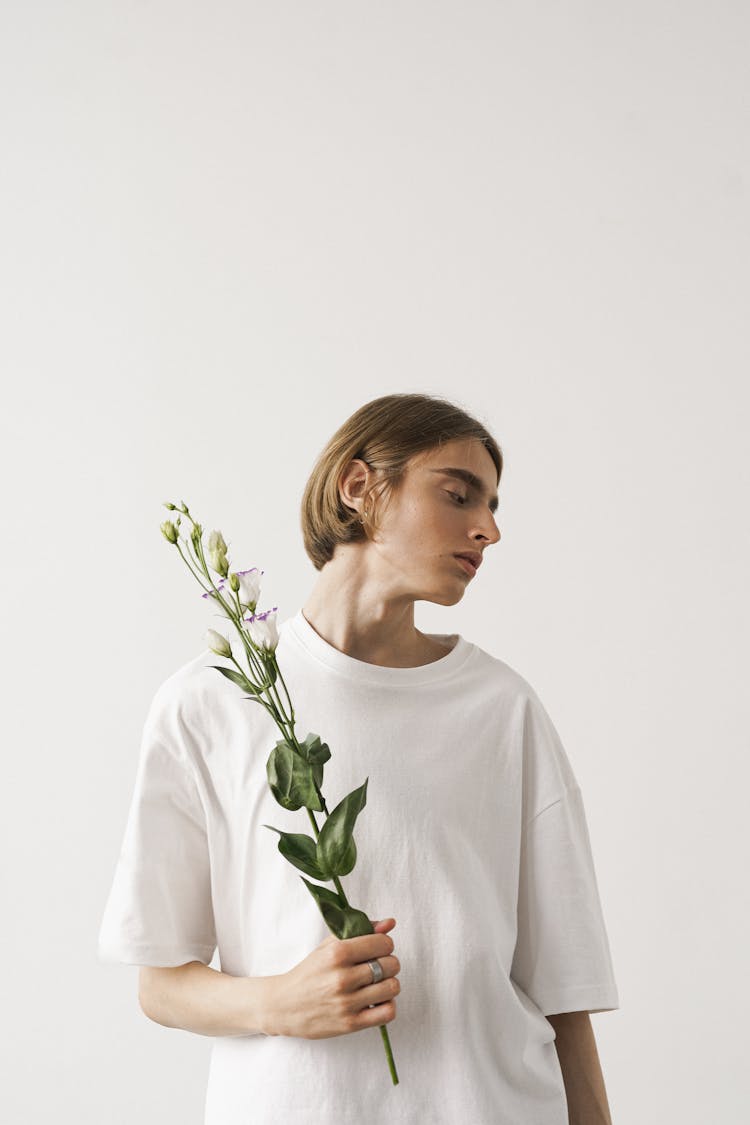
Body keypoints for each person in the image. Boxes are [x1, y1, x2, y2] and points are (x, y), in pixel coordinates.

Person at [97, 392, 619, 1124]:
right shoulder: (210, 703)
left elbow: (564, 995)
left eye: (494, 505)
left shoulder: (502, 709)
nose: (489, 528)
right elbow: (159, 982)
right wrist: (279, 1002)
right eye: (458, 493)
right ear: (359, 486)